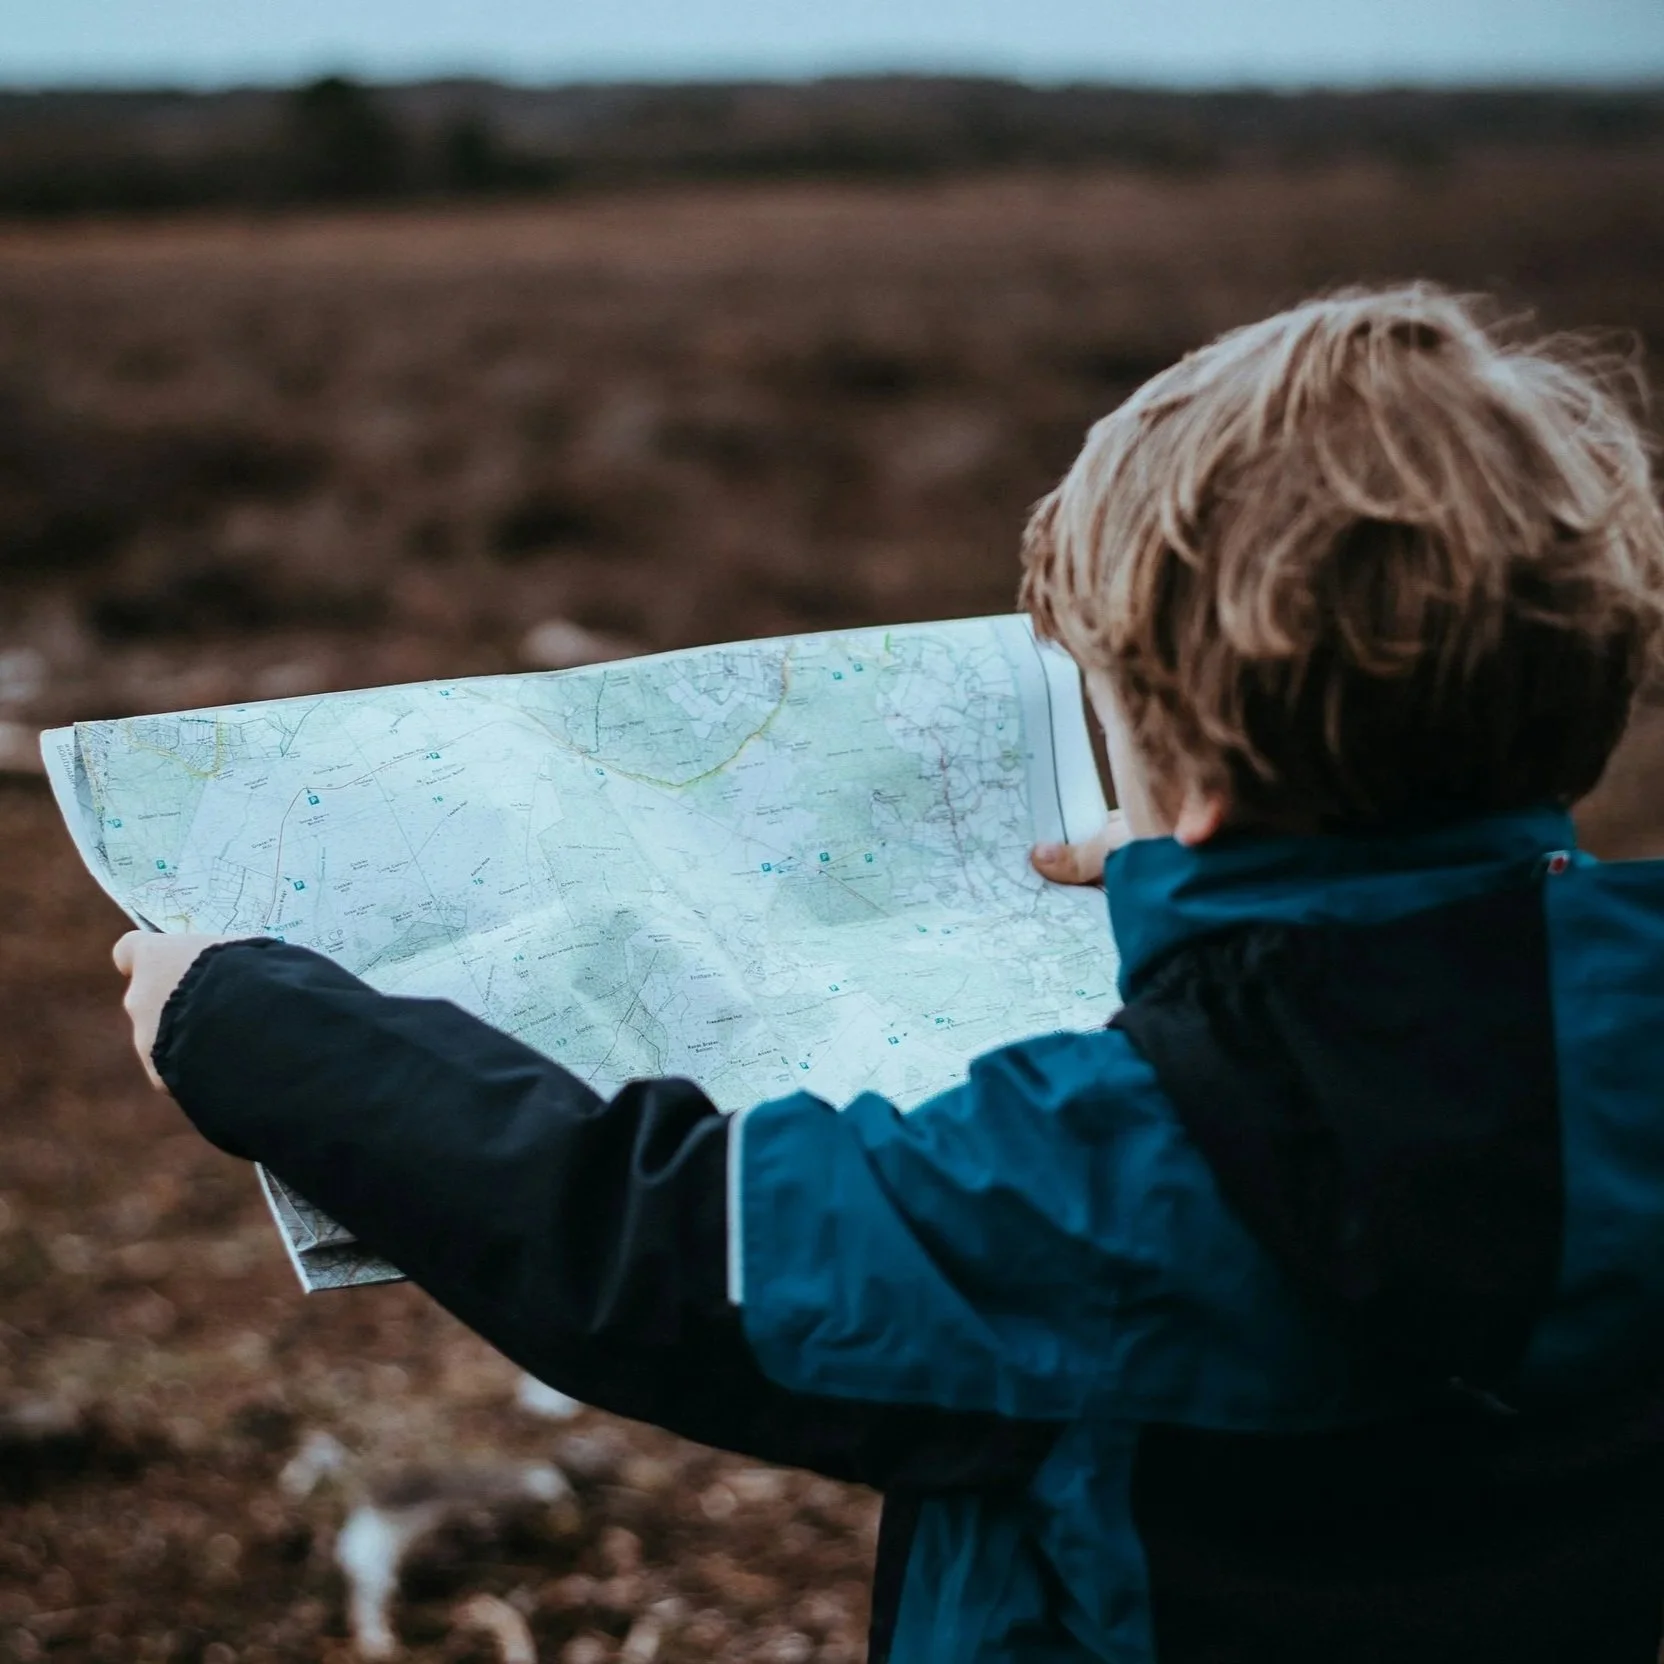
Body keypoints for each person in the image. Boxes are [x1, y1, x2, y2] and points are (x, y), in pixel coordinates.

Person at [113, 284, 1664, 1664]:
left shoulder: (1105, 1174)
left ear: (1186, 768)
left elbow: (659, 1249)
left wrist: (250, 1026)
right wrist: (1201, 872)